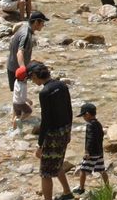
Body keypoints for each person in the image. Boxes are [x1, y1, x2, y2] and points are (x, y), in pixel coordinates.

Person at [29, 62, 73, 200]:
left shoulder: (45, 92)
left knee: (45, 173)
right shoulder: (62, 85)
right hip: (64, 130)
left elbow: (45, 120)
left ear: (36, 75)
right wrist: (69, 130)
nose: (32, 80)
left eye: (31, 77)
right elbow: (69, 109)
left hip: (53, 135)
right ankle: (67, 192)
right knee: (58, 162)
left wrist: (39, 144)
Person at [7, 11, 48, 90]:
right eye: (42, 22)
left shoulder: (24, 27)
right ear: (36, 22)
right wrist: (23, 70)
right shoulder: (26, 35)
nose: (43, 25)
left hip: (13, 67)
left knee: (18, 94)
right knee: (18, 96)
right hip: (16, 70)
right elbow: (20, 53)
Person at [76, 102, 109, 193]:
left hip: (92, 153)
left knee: (83, 170)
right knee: (102, 170)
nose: (83, 118)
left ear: (87, 114)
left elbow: (90, 139)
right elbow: (101, 136)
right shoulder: (98, 124)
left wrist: (87, 152)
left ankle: (81, 188)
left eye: (83, 116)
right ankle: (108, 188)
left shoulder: (90, 125)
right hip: (99, 152)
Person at [12, 66, 33, 131]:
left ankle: (14, 129)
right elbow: (23, 97)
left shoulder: (16, 81)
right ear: (25, 78)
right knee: (29, 111)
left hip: (15, 102)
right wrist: (28, 100)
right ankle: (20, 120)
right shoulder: (23, 86)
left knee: (17, 115)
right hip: (21, 103)